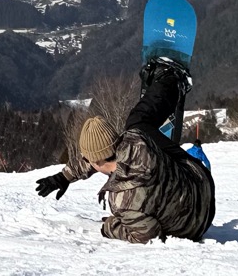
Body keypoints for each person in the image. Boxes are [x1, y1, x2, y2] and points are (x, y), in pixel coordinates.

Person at [33, 58, 214, 242]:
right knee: (138, 122)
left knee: (141, 205)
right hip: (199, 180)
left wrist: (110, 227)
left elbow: (147, 235)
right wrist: (64, 176)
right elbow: (100, 153)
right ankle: (171, 80)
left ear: (96, 161)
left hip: (195, 226)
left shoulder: (122, 200)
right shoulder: (136, 140)